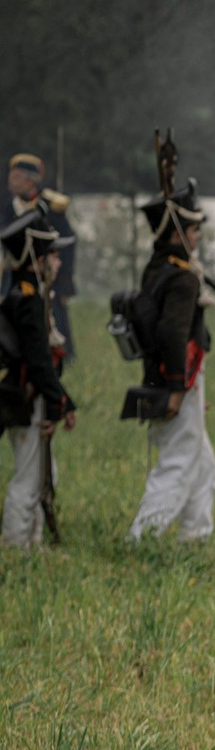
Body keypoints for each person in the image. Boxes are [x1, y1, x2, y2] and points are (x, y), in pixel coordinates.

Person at [127, 179, 215, 544]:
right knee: (178, 462)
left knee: (204, 463)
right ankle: (142, 538)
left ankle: (195, 534)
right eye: (194, 229)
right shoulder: (181, 277)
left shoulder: (158, 267)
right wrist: (179, 390)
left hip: (173, 376)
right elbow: (173, 334)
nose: (198, 237)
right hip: (175, 377)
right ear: (177, 232)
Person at [1, 212, 72, 549]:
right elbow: (39, 361)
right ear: (36, 259)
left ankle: (34, 543)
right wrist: (61, 402)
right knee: (28, 482)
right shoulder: (29, 299)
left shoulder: (29, 294)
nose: (56, 263)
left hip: (29, 395)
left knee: (44, 475)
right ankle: (16, 548)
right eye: (50, 256)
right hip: (27, 398)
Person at [8, 154, 76, 364]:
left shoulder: (50, 208)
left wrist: (64, 282)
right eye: (12, 176)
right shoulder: (6, 206)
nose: (12, 181)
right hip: (14, 274)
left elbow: (67, 244)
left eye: (18, 177)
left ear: (31, 180)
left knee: (54, 316)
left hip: (48, 275)